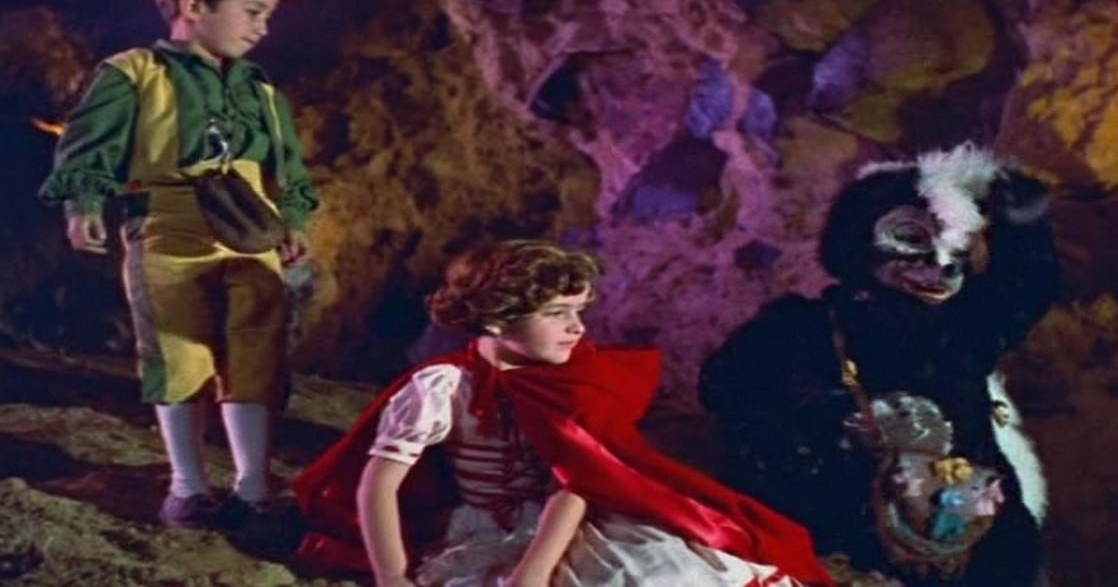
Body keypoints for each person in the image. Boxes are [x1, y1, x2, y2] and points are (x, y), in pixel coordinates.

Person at [293, 240, 834, 587]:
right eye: (556, 314)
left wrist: (533, 572)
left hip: (567, 521)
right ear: (498, 321)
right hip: (486, 527)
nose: (577, 327)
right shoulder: (444, 386)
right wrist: (392, 576)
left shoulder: (572, 380)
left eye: (578, 311)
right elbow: (379, 484)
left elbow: (576, 480)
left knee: (659, 572)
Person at [38, 0, 319, 529]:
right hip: (167, 225)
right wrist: (83, 202)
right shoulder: (133, 74)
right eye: (253, 11)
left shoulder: (261, 91)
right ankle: (188, 487)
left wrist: (293, 218)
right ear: (194, 7)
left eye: (267, 15)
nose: (263, 28)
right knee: (176, 348)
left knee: (257, 348)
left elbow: (286, 164)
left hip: (249, 228)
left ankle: (253, 487)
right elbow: (90, 143)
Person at [700, 144, 1061, 586]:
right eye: (911, 240)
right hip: (837, 538)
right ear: (861, 245)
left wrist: (1016, 209)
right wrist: (830, 428)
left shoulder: (963, 329)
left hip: (974, 545)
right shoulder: (800, 330)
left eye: (956, 248)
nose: (940, 265)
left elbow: (1028, 284)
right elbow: (727, 393)